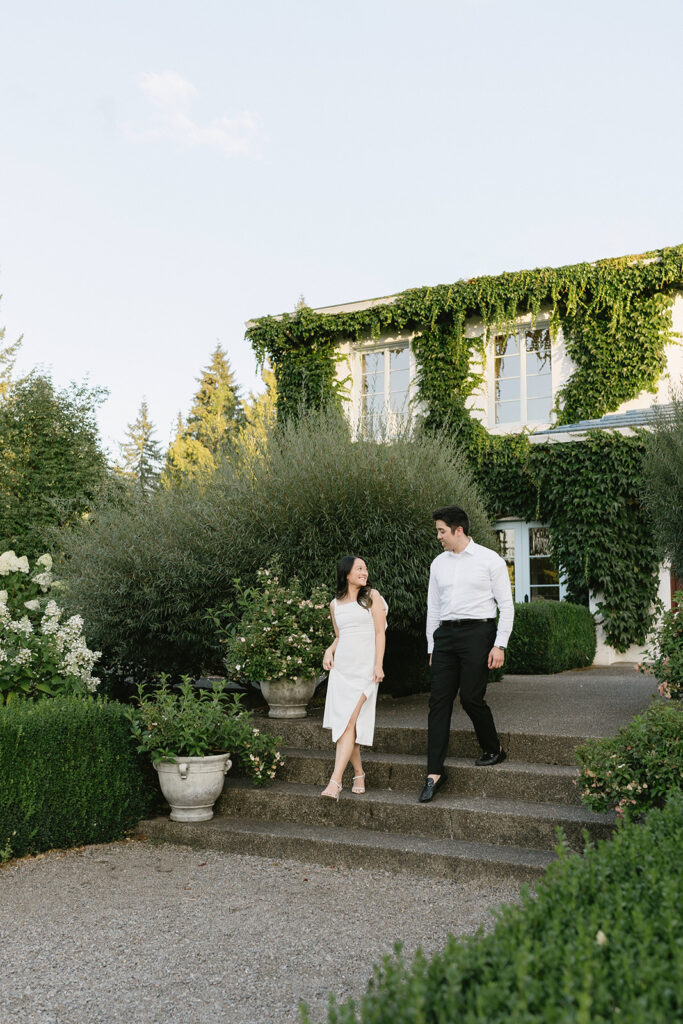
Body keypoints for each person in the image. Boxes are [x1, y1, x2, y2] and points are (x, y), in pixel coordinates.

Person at [419, 505, 514, 804]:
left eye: (442, 531)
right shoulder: (438, 564)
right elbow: (434, 607)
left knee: (471, 697)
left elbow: (506, 606)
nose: (438, 536)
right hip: (445, 635)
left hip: (478, 633)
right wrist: (432, 646)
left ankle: (493, 748)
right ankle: (434, 773)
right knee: (438, 702)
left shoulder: (490, 560)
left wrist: (500, 644)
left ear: (458, 530)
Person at [320, 555, 387, 800]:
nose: (364, 572)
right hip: (342, 671)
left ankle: (335, 781)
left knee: (349, 723)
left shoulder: (372, 597)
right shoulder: (334, 604)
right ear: (346, 574)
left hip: (365, 671)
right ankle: (358, 773)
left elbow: (380, 633)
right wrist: (329, 650)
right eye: (359, 568)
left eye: (365, 568)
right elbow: (340, 636)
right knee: (347, 726)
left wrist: (378, 665)